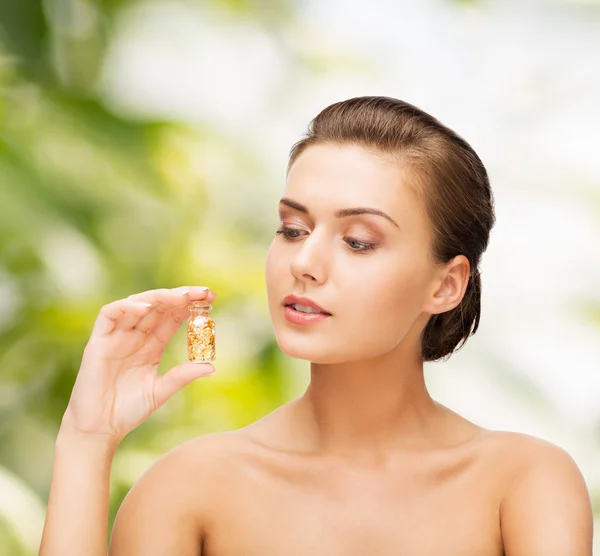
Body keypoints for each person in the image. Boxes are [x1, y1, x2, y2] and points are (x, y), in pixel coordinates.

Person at [38, 96, 593, 556]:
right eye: (293, 229)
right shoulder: (191, 486)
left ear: (446, 285)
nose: (303, 264)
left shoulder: (523, 482)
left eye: (358, 241)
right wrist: (87, 441)